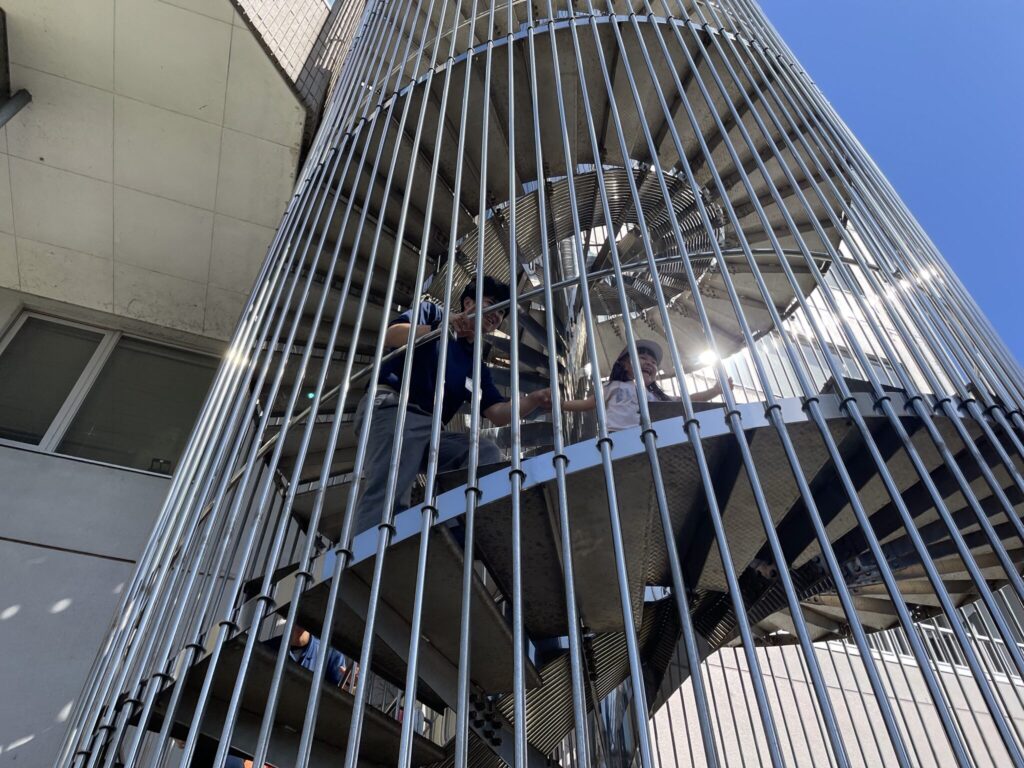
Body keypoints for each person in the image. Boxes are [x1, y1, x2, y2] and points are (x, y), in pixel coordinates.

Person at [352, 276, 552, 534]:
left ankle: (452, 527)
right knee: (390, 492)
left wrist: (534, 399)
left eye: (502, 313)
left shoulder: (475, 363)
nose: (497, 315)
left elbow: (498, 413)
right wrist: (440, 327)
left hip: (431, 429)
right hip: (394, 407)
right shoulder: (432, 313)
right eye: (492, 304)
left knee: (483, 452)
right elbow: (391, 336)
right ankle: (371, 548)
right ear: (468, 302)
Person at [223, 625, 348, 768]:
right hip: (260, 742)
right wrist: (248, 760)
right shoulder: (265, 650)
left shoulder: (330, 657)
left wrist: (349, 692)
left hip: (301, 749)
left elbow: (334, 718)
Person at [562, 340, 728, 431]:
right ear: (625, 365)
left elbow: (686, 401)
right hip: (616, 436)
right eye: (642, 358)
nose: (649, 363)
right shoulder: (613, 386)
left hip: (649, 435)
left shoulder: (657, 396)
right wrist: (560, 404)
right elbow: (587, 403)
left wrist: (714, 391)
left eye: (654, 362)